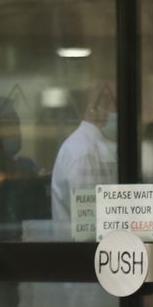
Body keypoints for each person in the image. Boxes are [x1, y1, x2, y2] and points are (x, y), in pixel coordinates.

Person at [50, 83, 118, 236]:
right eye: (110, 103)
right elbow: (87, 221)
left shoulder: (99, 146)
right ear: (92, 110)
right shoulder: (82, 151)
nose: (115, 111)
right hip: (81, 253)